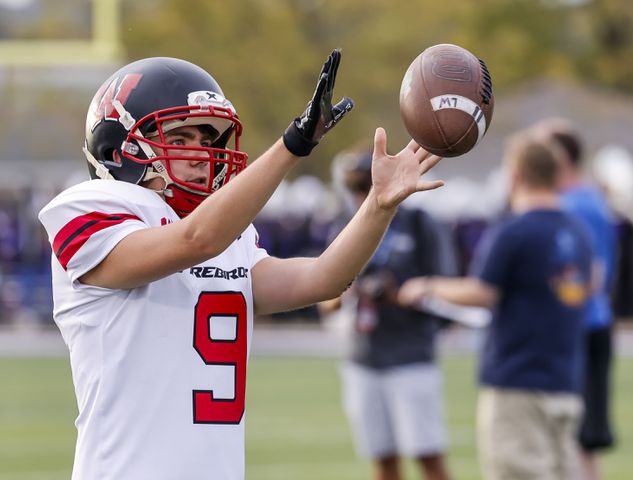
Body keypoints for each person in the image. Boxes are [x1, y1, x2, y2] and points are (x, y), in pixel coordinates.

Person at [38, 51, 445, 480]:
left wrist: (379, 206)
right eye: (179, 140)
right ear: (118, 150)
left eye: (205, 140)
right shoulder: (91, 208)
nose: (200, 155)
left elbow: (323, 279)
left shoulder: (226, 235)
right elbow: (196, 240)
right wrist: (293, 144)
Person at [397, 129, 593, 480]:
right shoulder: (577, 231)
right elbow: (591, 282)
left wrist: (426, 286)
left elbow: (482, 292)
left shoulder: (514, 230)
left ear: (516, 174)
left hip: (518, 384)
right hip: (566, 381)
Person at [321, 150, 455, 480]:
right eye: (353, 186)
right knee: (381, 457)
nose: (358, 194)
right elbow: (322, 298)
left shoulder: (418, 223)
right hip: (363, 356)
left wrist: (402, 294)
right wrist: (347, 290)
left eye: (364, 185)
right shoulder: (343, 225)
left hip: (410, 354)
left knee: (428, 454)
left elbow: (445, 287)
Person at [533, 118, 617, 480]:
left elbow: (591, 277)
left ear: (560, 157)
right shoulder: (577, 201)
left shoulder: (579, 205)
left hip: (580, 329)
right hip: (574, 330)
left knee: (577, 442)